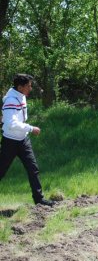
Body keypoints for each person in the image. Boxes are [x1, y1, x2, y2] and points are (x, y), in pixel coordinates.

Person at [0, 74, 55, 206]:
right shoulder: (11, 100)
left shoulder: (21, 96)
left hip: (23, 140)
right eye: (28, 86)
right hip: (10, 142)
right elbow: (11, 123)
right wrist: (30, 128)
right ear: (20, 87)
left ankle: (39, 200)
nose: (31, 88)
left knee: (33, 168)